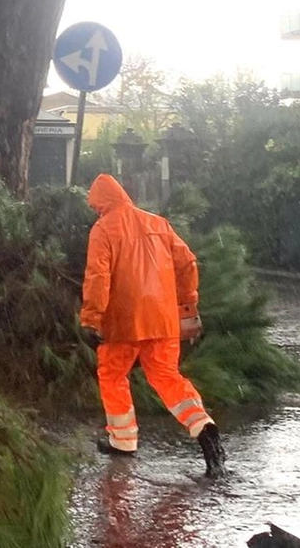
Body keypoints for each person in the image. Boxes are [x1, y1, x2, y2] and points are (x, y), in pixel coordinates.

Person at [79, 173, 227, 477]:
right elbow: (187, 262)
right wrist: (186, 303)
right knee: (166, 376)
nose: (96, 212)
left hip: (123, 322)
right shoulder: (158, 223)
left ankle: (123, 441)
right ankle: (203, 426)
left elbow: (98, 277)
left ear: (100, 203)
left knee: (113, 375)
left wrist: (91, 319)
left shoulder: (103, 229)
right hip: (162, 318)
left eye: (96, 207)